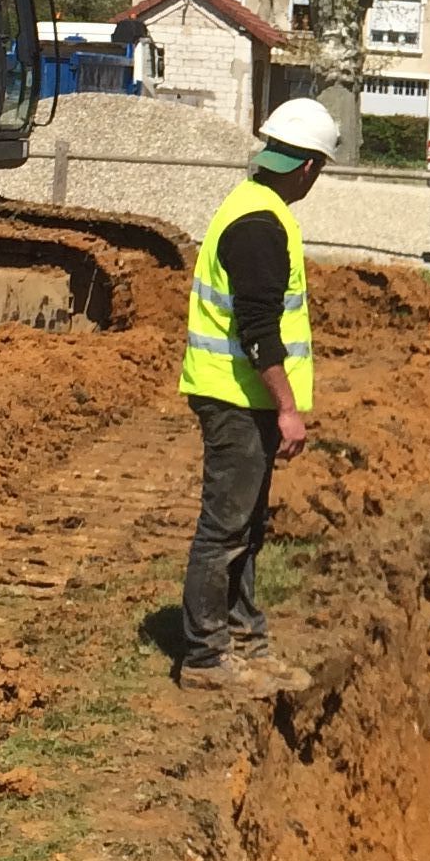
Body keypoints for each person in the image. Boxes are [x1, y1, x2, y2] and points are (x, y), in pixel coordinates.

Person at [177, 95, 342, 694]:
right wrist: (289, 408)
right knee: (224, 527)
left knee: (247, 524)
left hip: (245, 397)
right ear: (306, 167)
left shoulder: (257, 209)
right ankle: (204, 654)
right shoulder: (258, 225)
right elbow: (258, 329)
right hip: (235, 399)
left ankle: (245, 638)